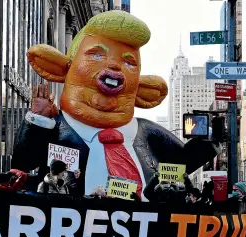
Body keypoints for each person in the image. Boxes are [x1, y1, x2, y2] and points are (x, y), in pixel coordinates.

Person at [11, 10, 220, 200]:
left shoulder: (145, 132)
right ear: (63, 68)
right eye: (97, 55)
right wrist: (38, 122)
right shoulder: (56, 127)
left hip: (141, 230)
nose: (113, 65)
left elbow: (179, 164)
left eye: (129, 62)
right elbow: (24, 163)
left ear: (143, 90)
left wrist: (211, 139)